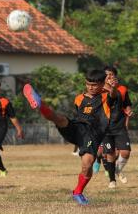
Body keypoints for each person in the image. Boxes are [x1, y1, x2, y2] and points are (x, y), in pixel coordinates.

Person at [23, 69, 118, 205]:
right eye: (88, 84)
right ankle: (39, 104)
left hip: (93, 133)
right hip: (78, 127)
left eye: (94, 85)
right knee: (59, 119)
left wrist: (112, 87)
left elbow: (114, 95)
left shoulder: (106, 96)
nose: (90, 87)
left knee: (87, 164)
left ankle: (77, 192)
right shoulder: (79, 98)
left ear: (102, 84)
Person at [100, 66, 133, 188]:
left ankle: (117, 169)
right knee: (109, 154)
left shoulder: (123, 89)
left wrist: (128, 111)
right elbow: (111, 98)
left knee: (125, 152)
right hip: (105, 127)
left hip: (119, 125)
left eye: (111, 74)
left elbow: (127, 104)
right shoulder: (99, 89)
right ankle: (112, 180)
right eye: (106, 74)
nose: (109, 76)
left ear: (115, 76)